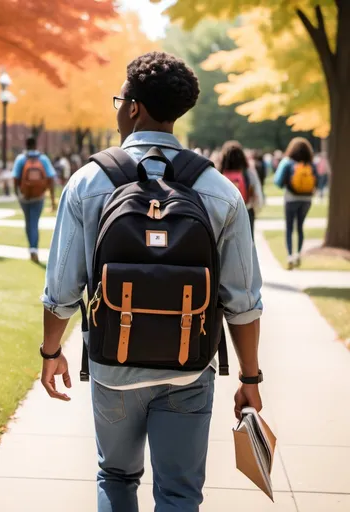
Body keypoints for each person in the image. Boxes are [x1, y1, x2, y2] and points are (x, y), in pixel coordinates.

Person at [40, 52, 263, 511]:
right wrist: (250, 376)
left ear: (134, 107)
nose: (119, 108)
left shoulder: (87, 182)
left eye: (121, 99)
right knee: (179, 493)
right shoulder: (220, 191)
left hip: (113, 364)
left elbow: (62, 290)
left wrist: (50, 352)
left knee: (116, 476)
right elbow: (243, 301)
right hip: (189, 368)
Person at [274, 137, 318, 270]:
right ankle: (298, 254)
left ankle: (290, 256)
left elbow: (278, 181)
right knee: (300, 226)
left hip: (291, 198)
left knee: (289, 227)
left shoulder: (287, 162)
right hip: (306, 200)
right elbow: (317, 180)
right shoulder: (311, 164)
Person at [13, 137, 56, 263]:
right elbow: (51, 178)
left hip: (25, 197)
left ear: (26, 145)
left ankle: (31, 248)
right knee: (34, 222)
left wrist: (18, 195)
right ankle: (34, 249)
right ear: (35, 145)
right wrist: (52, 199)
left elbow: (15, 178)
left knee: (28, 222)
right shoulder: (43, 159)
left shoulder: (20, 159)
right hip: (39, 196)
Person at [220, 140, 264, 238]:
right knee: (248, 240)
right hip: (246, 209)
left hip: (224, 212)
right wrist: (258, 205)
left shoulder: (220, 172)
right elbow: (256, 189)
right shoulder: (248, 172)